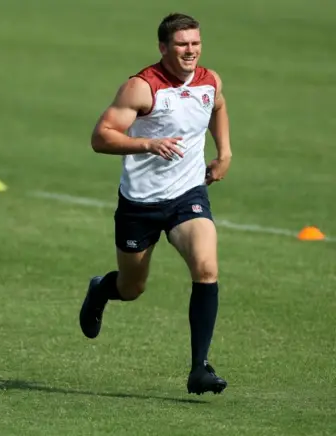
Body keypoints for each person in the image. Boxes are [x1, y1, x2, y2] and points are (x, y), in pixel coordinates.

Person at [80, 13, 232, 395]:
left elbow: (217, 107)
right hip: (140, 204)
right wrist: (147, 143)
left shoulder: (209, 81)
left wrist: (224, 153)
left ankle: (200, 368)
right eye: (182, 44)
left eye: (195, 43)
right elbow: (101, 137)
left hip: (187, 197)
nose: (190, 51)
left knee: (206, 267)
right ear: (163, 47)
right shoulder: (142, 88)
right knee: (132, 287)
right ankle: (101, 290)